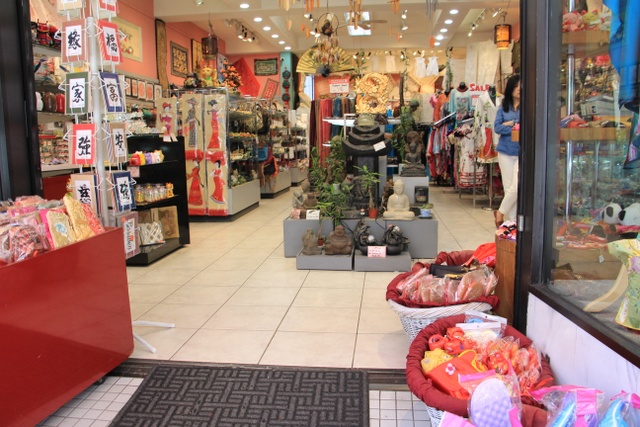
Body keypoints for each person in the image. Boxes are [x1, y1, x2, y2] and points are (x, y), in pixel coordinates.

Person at [494, 74, 521, 228]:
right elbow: (497, 128)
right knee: (508, 187)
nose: (518, 89)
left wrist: (512, 123)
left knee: (516, 187)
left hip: (520, 152)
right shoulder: (503, 108)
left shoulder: (527, 106)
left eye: (521, 86)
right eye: (516, 86)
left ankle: (500, 212)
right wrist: (514, 127)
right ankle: (512, 222)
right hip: (505, 151)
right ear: (510, 88)